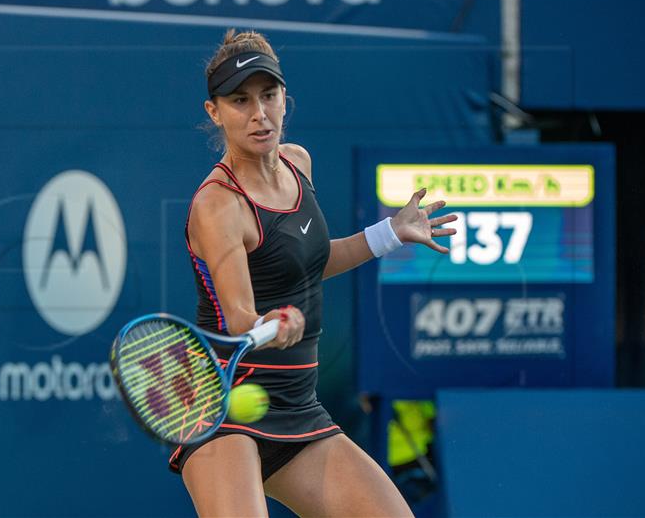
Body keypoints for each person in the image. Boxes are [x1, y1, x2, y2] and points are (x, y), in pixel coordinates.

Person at [170, 29, 458, 517]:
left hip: (298, 409)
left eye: (269, 95)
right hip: (224, 411)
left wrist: (389, 232)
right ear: (214, 112)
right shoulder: (218, 206)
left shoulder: (297, 163)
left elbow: (307, 264)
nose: (259, 114)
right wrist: (272, 323)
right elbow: (240, 315)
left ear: (287, 99)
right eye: (240, 101)